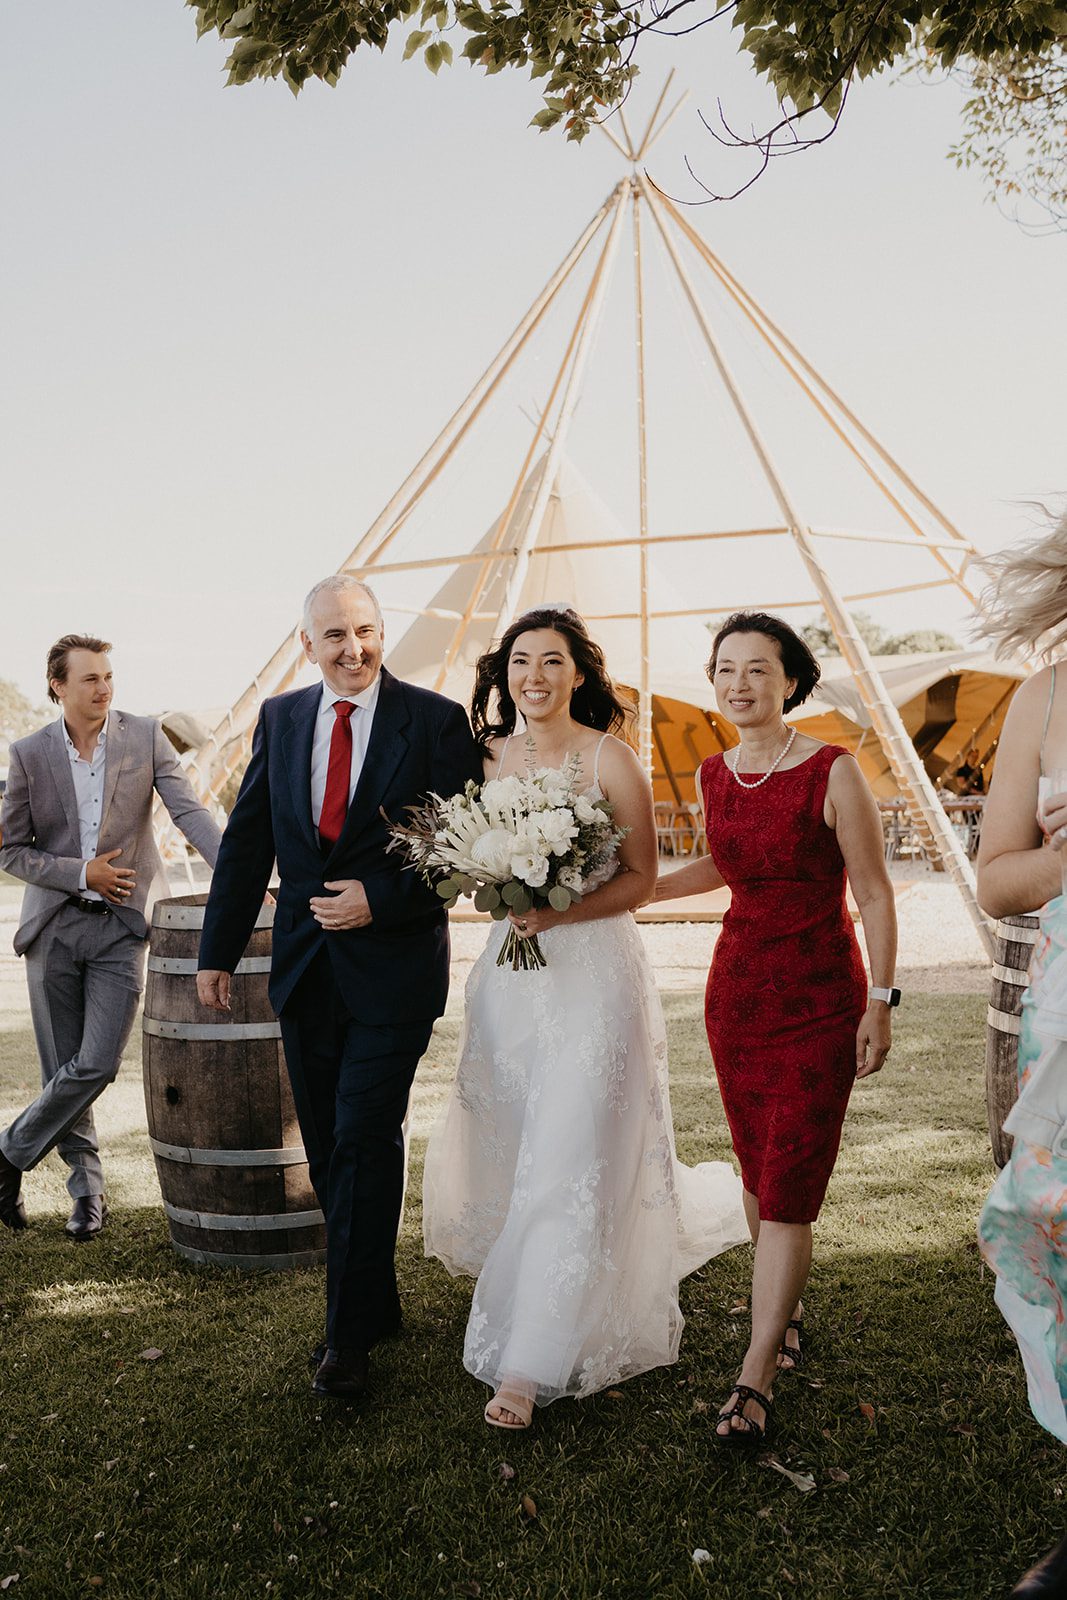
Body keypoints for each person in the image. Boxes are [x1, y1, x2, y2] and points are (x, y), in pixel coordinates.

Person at [423, 605, 748, 1430]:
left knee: (570, 1152)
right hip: (510, 979)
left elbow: (640, 877)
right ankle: (525, 1271)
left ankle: (528, 1364)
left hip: (594, 979)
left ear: (579, 674)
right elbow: (459, 859)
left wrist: (555, 915)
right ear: (502, 674)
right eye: (520, 661)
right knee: (520, 1137)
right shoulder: (485, 756)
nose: (533, 676)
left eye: (552, 661)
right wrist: (491, 885)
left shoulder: (611, 757)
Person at [197, 576, 480, 1403]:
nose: (351, 648)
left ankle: (344, 1338)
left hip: (394, 973)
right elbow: (249, 840)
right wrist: (217, 952)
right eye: (334, 635)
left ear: (382, 632)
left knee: (360, 1133)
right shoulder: (281, 719)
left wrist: (379, 898)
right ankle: (375, 1296)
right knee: (331, 1145)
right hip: (303, 971)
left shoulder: (432, 721)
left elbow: (463, 850)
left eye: (365, 630)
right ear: (305, 645)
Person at [655, 611, 898, 1446]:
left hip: (821, 1000)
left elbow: (872, 890)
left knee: (791, 1179)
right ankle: (780, 1315)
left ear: (789, 680)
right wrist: (634, 890)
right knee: (761, 1172)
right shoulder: (712, 773)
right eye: (725, 669)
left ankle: (754, 1374)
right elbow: (729, 863)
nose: (738, 684)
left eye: (757, 669)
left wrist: (881, 1002)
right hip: (736, 1000)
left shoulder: (834, 771)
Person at [0, 633, 222, 1239]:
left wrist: (238, 868)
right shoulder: (28, 754)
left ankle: (8, 1155)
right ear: (59, 686)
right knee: (59, 1067)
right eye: (90, 678)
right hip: (53, 929)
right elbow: (11, 850)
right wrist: (79, 873)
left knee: (95, 1063)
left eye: (108, 675)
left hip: (121, 930)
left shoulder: (145, 736)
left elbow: (189, 812)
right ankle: (86, 1194)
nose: (104, 687)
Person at [975, 512, 1067, 1598]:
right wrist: (1054, 865)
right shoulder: (1041, 695)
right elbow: (997, 873)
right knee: (1049, 1228)